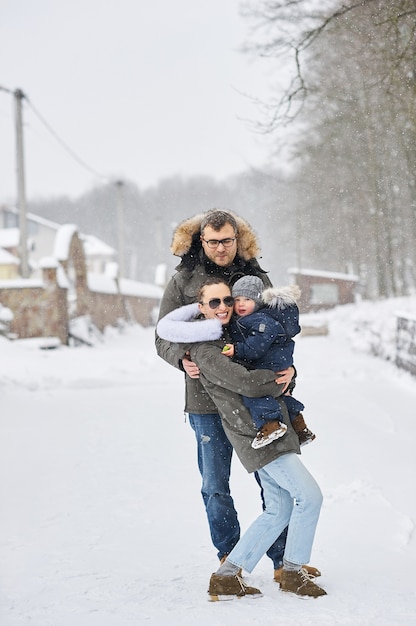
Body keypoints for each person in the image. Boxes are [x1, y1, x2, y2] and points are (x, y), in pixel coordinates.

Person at [155, 209, 320, 583]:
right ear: (201, 241)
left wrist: (291, 372)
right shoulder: (184, 280)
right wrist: (182, 359)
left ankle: (280, 561)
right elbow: (162, 336)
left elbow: (278, 333)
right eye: (212, 241)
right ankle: (230, 556)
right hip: (206, 399)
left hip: (256, 398)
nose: (220, 248)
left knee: (273, 481)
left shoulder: (255, 277)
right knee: (215, 483)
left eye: (227, 240)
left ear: (237, 238)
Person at [222, 274, 316, 449]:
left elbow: (256, 347)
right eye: (237, 299)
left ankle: (270, 424)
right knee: (283, 396)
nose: (241, 304)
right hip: (277, 362)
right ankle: (300, 428)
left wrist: (237, 349)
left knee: (255, 394)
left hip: (269, 364)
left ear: (258, 301)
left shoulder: (261, 321)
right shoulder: (257, 318)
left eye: (247, 299)